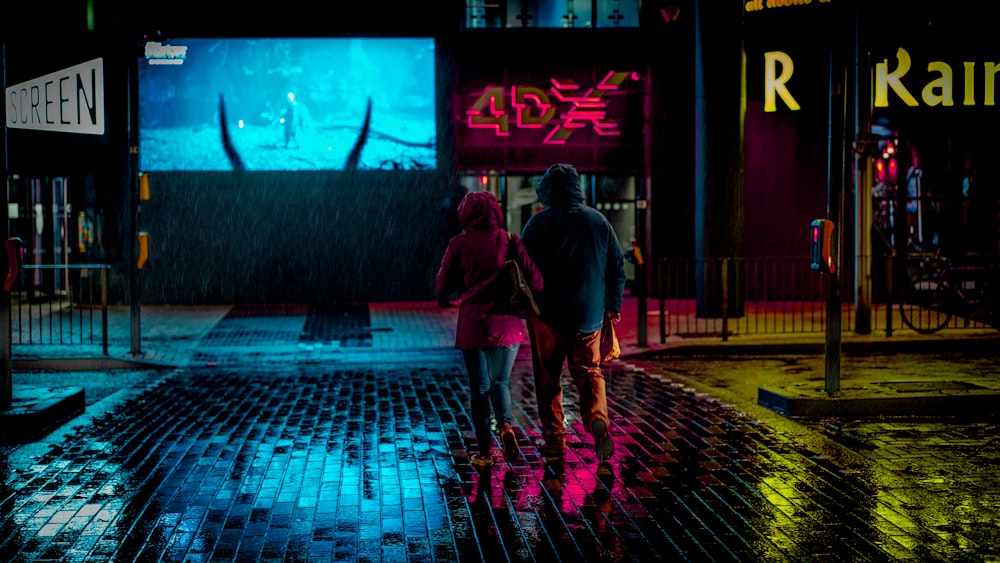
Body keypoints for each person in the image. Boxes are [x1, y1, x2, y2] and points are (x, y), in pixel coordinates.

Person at [521, 163, 626, 461]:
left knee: (548, 378)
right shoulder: (598, 222)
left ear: (548, 190)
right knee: (590, 372)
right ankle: (598, 419)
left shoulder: (538, 224)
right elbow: (617, 268)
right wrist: (612, 305)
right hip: (588, 315)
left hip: (547, 316)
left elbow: (524, 270)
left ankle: (555, 439)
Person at [436, 191, 543, 468]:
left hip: (473, 324)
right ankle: (506, 427)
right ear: (496, 211)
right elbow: (536, 279)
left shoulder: (458, 244)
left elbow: (442, 285)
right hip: (506, 323)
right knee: (500, 382)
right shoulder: (509, 240)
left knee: (479, 387)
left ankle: (484, 452)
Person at [438, 183, 469, 307]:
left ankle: (445, 297)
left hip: (449, 240)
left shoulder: (449, 202)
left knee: (453, 270)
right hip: (454, 240)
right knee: (459, 270)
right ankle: (459, 297)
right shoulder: (458, 204)